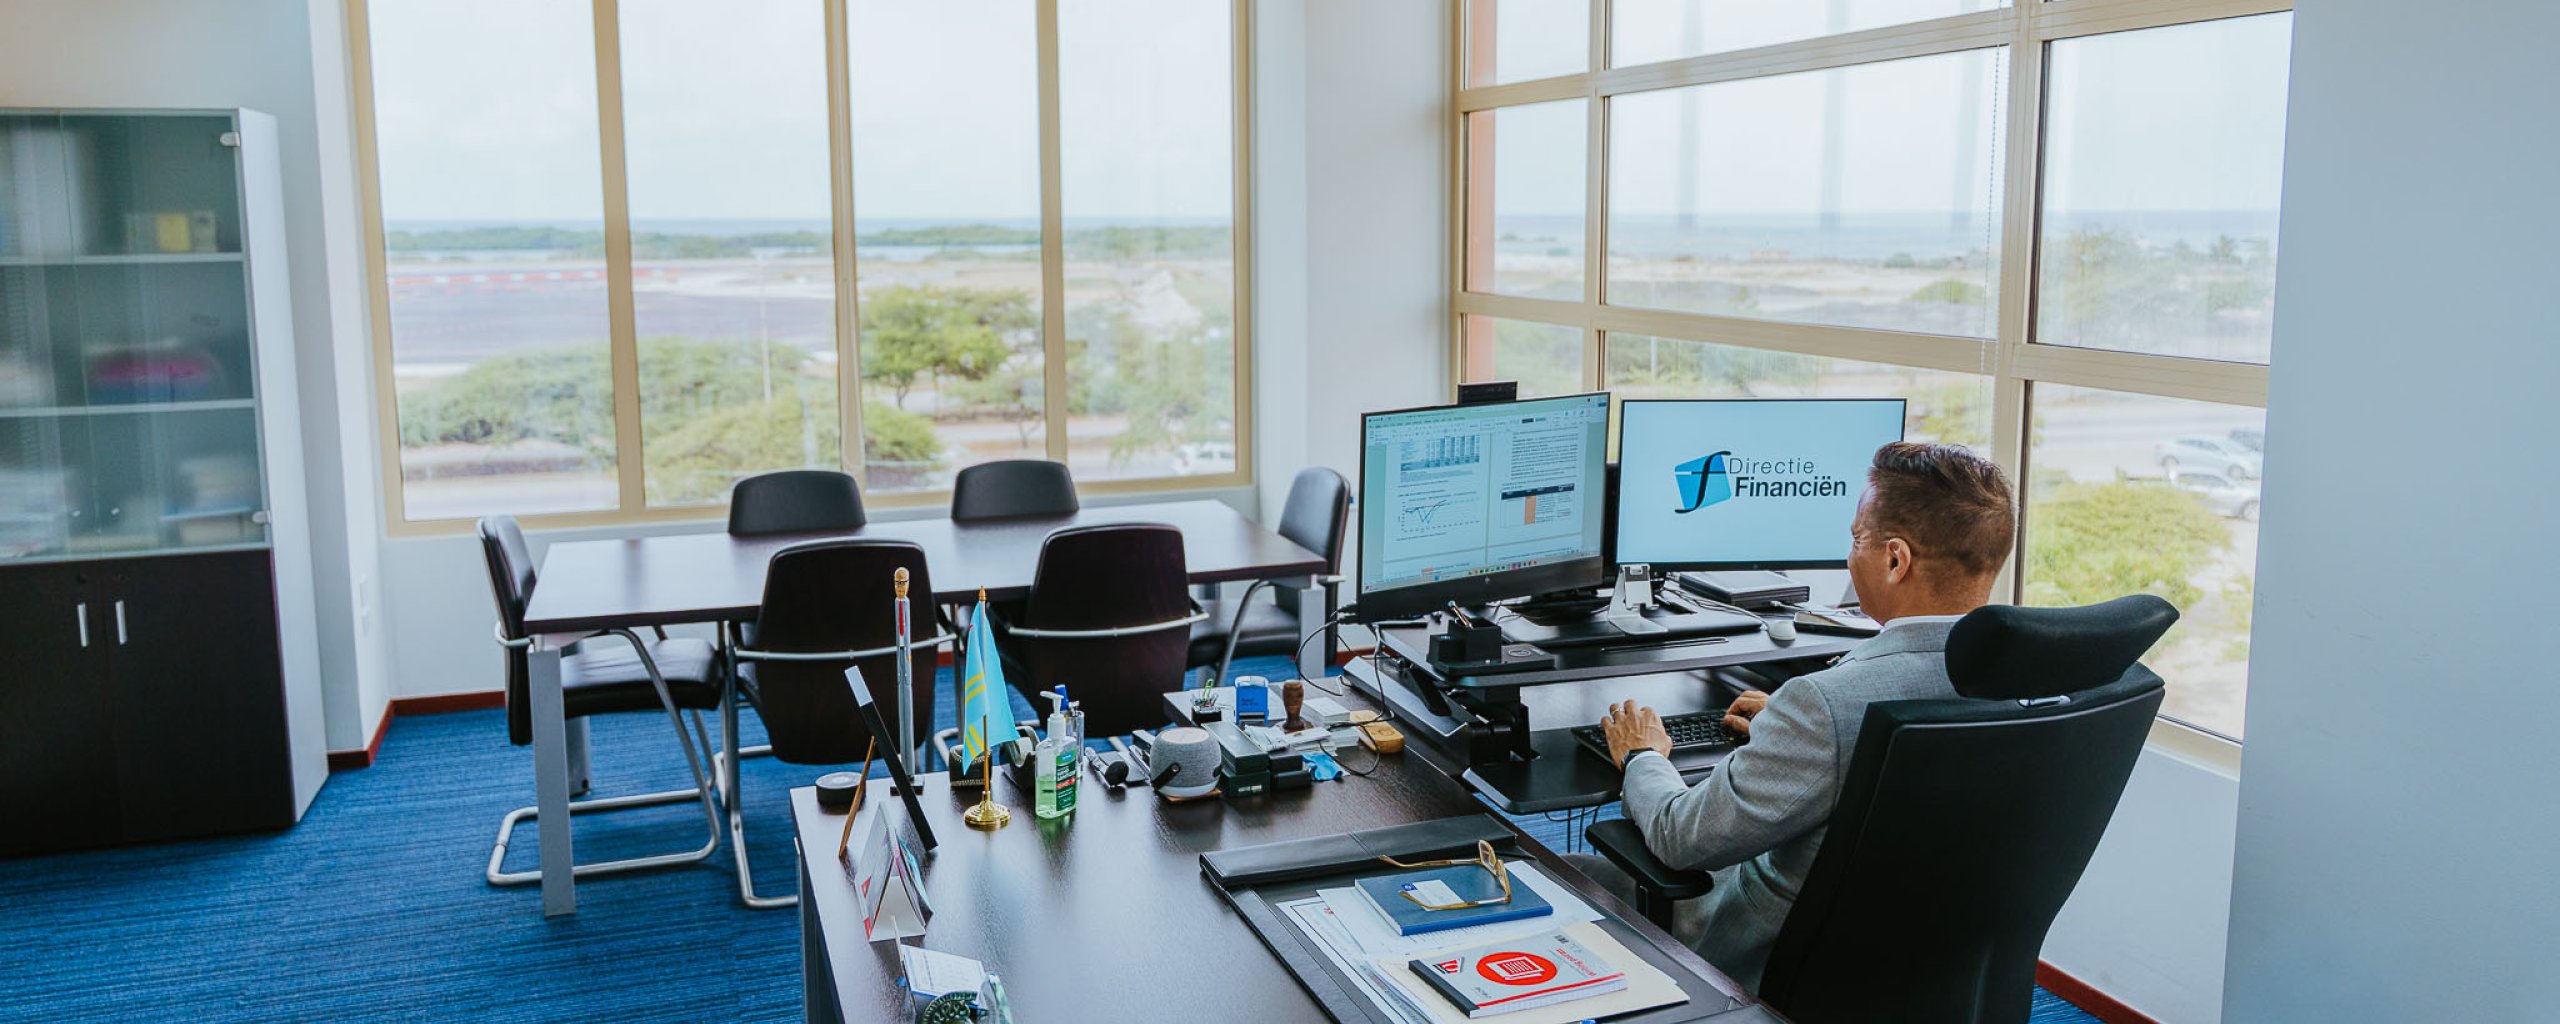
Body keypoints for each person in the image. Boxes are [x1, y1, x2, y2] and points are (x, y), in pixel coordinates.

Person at [1577, 441, 2018, 989]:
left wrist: (1643, 753)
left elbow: (1681, 837)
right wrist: (1788, 727)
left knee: (1554, 872)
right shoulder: (2027, 680)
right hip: (1935, 971)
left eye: (1856, 539)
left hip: (1758, 958)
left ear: (1895, 560)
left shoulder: (1824, 705)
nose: (1850, 554)